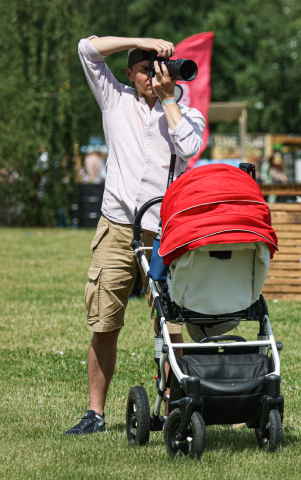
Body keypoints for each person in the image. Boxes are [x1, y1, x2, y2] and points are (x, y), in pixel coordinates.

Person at [65, 35, 205, 435]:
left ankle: (176, 407)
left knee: (170, 324)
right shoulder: (115, 98)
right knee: (104, 322)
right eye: (145, 69)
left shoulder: (185, 111)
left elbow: (191, 147)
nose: (153, 75)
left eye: (159, 68)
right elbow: (86, 49)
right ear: (129, 73)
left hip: (164, 230)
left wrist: (168, 100)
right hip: (117, 226)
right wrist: (140, 40)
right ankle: (95, 414)